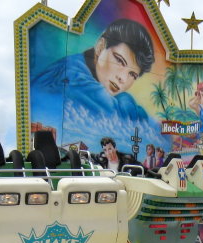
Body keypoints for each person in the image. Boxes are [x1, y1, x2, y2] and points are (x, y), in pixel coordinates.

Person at [31, 19, 155, 147]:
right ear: (101, 46)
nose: (122, 78)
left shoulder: (81, 68)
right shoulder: (76, 77)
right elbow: (118, 114)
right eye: (119, 60)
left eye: (132, 74)